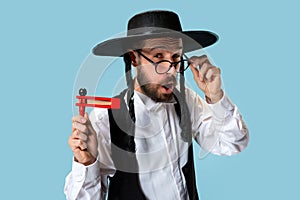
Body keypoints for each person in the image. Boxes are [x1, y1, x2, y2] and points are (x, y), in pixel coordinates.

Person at [64, 10, 249, 200]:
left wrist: (215, 96)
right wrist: (86, 161)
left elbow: (232, 143)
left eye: (176, 58)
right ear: (134, 59)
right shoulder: (105, 121)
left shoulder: (186, 100)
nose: (170, 70)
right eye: (159, 56)